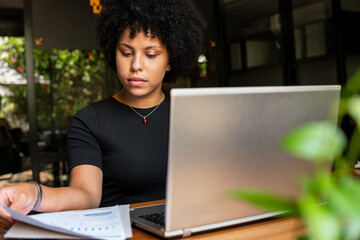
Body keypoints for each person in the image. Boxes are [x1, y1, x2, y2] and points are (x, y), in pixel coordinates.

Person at [0, 0, 206, 229]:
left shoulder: (190, 116)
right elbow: (85, 194)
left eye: (151, 54)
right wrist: (35, 193)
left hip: (190, 228)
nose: (136, 65)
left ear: (170, 60)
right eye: (126, 52)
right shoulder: (90, 122)